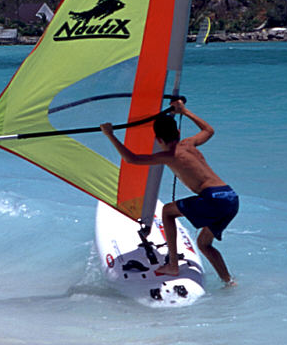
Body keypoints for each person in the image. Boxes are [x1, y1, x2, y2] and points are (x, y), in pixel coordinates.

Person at [100, 99, 238, 285]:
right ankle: (228, 281)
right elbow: (209, 130)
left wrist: (110, 135)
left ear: (158, 140)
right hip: (230, 197)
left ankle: (173, 265)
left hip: (212, 199)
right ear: (178, 133)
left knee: (167, 211)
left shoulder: (168, 156)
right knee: (204, 244)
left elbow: (131, 159)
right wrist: (185, 111)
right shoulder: (189, 144)